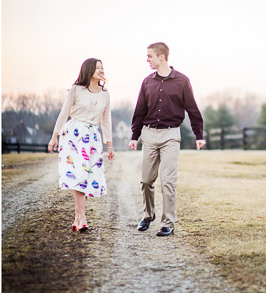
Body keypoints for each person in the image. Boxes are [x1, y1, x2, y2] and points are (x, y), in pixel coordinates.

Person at [129, 42, 205, 237]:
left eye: (150, 56)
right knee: (146, 180)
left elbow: (193, 109)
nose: (147, 60)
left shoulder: (182, 81)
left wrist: (199, 135)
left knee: (168, 181)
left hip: (171, 134)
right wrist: (134, 136)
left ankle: (168, 223)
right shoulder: (147, 82)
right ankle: (148, 215)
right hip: (149, 134)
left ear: (161, 57)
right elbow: (140, 111)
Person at [48, 58, 115, 231]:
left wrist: (110, 145)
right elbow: (63, 114)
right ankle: (81, 217)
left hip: (93, 137)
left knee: (87, 177)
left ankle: (79, 216)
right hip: (73, 135)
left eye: (102, 67)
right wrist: (54, 136)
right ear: (88, 70)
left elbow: (106, 121)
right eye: (97, 67)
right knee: (78, 174)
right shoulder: (76, 90)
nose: (101, 70)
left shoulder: (105, 94)